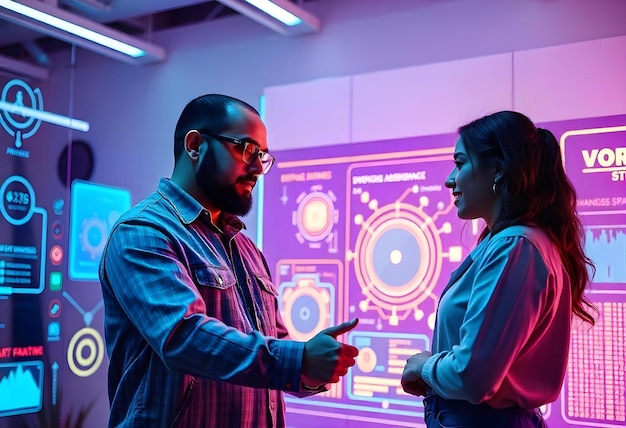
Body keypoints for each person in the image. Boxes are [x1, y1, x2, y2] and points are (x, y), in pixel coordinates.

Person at [99, 93, 359, 427]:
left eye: (262, 157)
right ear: (195, 145)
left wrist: (310, 370)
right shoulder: (142, 233)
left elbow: (272, 346)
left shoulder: (247, 249)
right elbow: (184, 338)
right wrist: (298, 360)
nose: (257, 169)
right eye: (247, 149)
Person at [401, 111, 596, 427]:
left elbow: (473, 376)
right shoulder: (512, 243)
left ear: (497, 171)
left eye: (461, 163)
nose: (450, 180)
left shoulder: (516, 247)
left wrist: (424, 367)